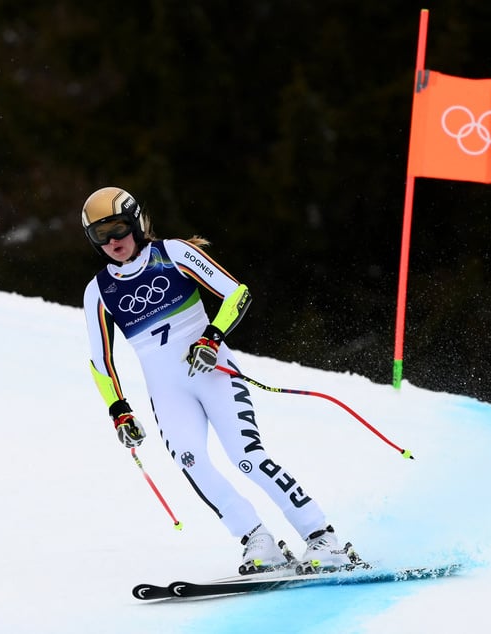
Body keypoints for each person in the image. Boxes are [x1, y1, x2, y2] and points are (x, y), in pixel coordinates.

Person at [80, 186, 354, 574]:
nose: (113, 241)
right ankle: (257, 539)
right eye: (100, 235)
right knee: (192, 462)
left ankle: (322, 537)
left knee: (246, 457)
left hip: (214, 373)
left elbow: (236, 293)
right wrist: (118, 410)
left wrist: (212, 337)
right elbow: (99, 361)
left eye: (119, 228)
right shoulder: (98, 291)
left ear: (137, 222)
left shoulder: (172, 253)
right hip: (168, 391)